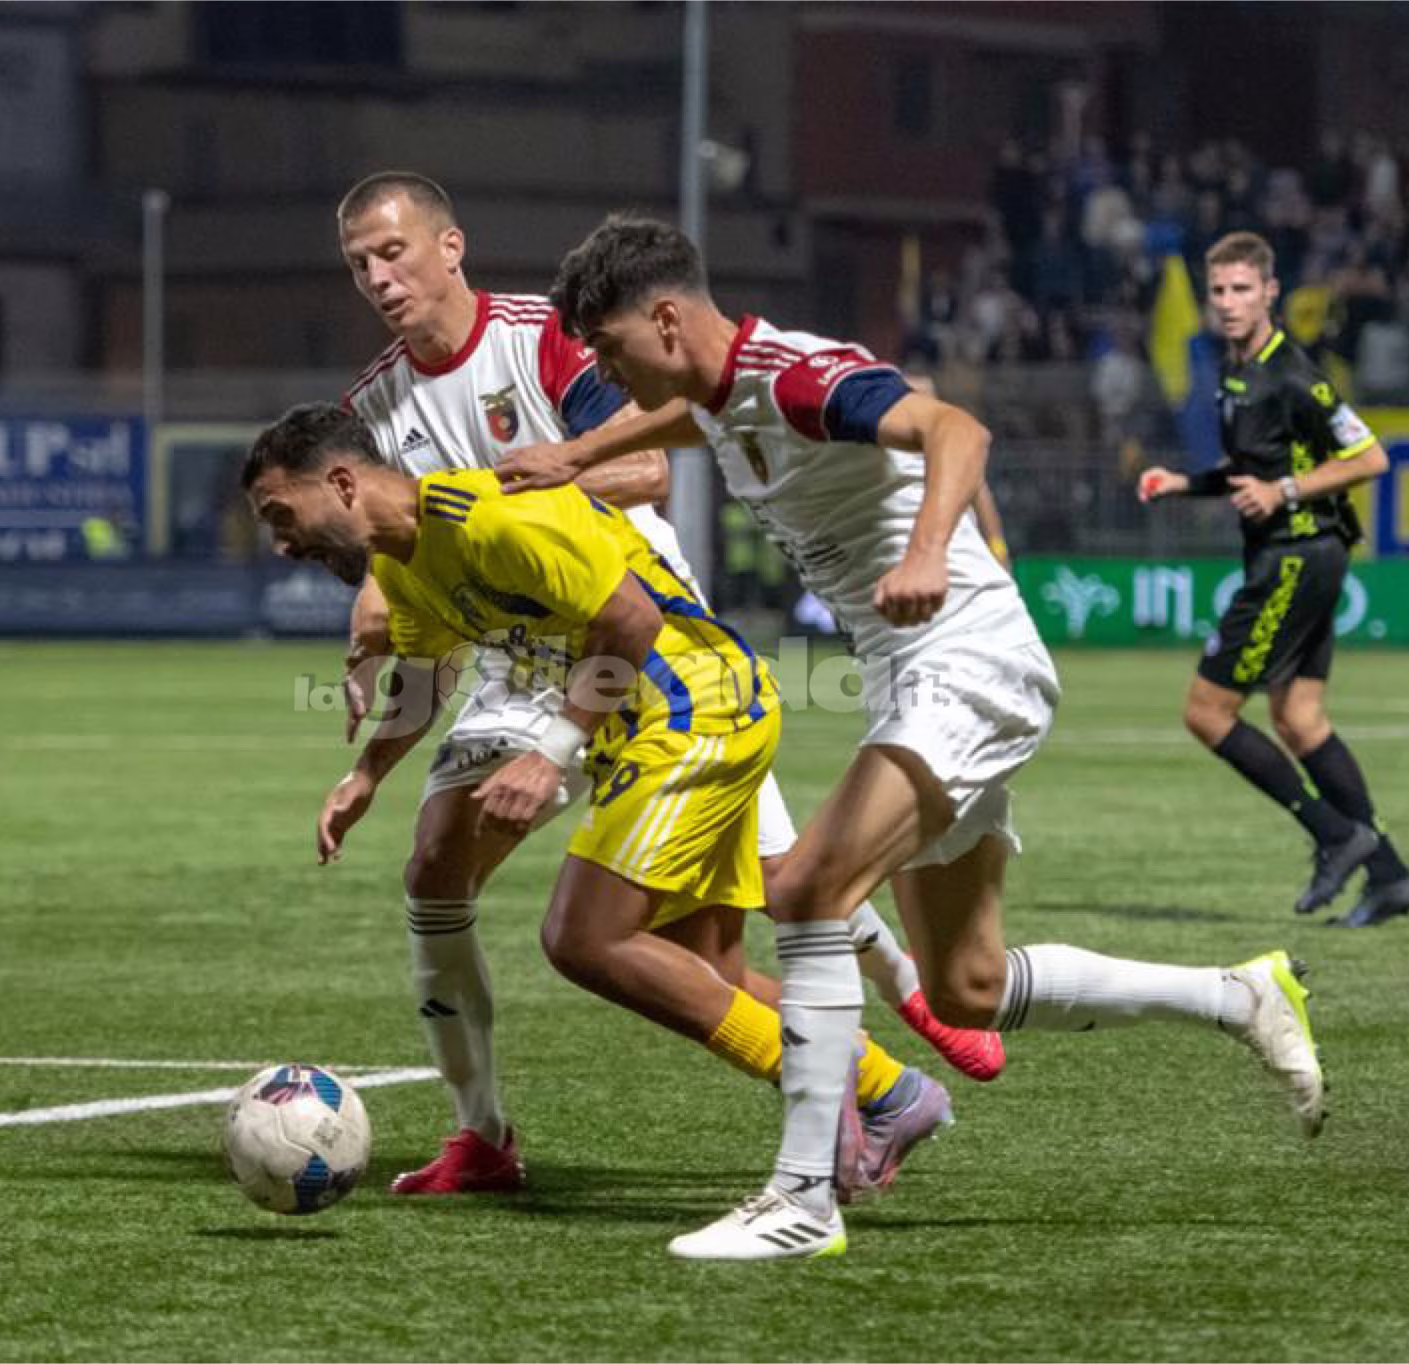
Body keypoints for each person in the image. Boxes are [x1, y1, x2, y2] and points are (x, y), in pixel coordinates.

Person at [498, 215, 1329, 1261]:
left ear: (666, 320)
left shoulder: (796, 377)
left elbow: (957, 430)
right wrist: (575, 453)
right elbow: (689, 420)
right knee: (965, 985)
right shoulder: (719, 391)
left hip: (964, 661)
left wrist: (931, 548)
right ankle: (1238, 995)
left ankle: (803, 1199)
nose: (609, 375)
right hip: (918, 676)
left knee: (808, 889)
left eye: (611, 350)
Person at [328, 173, 997, 1196]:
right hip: (517, 659)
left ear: (449, 247)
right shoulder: (369, 407)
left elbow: (645, 474)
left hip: (640, 630)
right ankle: (483, 1134)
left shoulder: (544, 339)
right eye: (359, 265)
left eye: (393, 253)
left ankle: (909, 997)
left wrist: (491, 502)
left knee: (767, 896)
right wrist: (376, 599)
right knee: (434, 870)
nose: (378, 278)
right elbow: (389, 529)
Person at [244, 405, 940, 1256]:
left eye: (281, 515)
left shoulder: (491, 516)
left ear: (342, 483)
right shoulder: (408, 561)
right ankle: (893, 1093)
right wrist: (366, 777)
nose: (283, 545)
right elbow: (425, 675)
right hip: (653, 728)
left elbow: (633, 622)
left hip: (695, 708)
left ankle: (819, 1095)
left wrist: (550, 753)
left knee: (582, 938)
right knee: (707, 968)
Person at [1137, 230, 1409, 929]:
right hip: (1298, 553)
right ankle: (1391, 877)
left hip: (1297, 555)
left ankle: (1334, 834)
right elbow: (1251, 473)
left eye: (1242, 289)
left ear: (1270, 292)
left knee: (1207, 713)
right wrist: (1185, 483)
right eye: (1218, 291)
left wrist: (1285, 492)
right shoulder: (1234, 369)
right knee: (1299, 719)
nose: (1228, 302)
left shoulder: (1294, 374)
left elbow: (1370, 457)